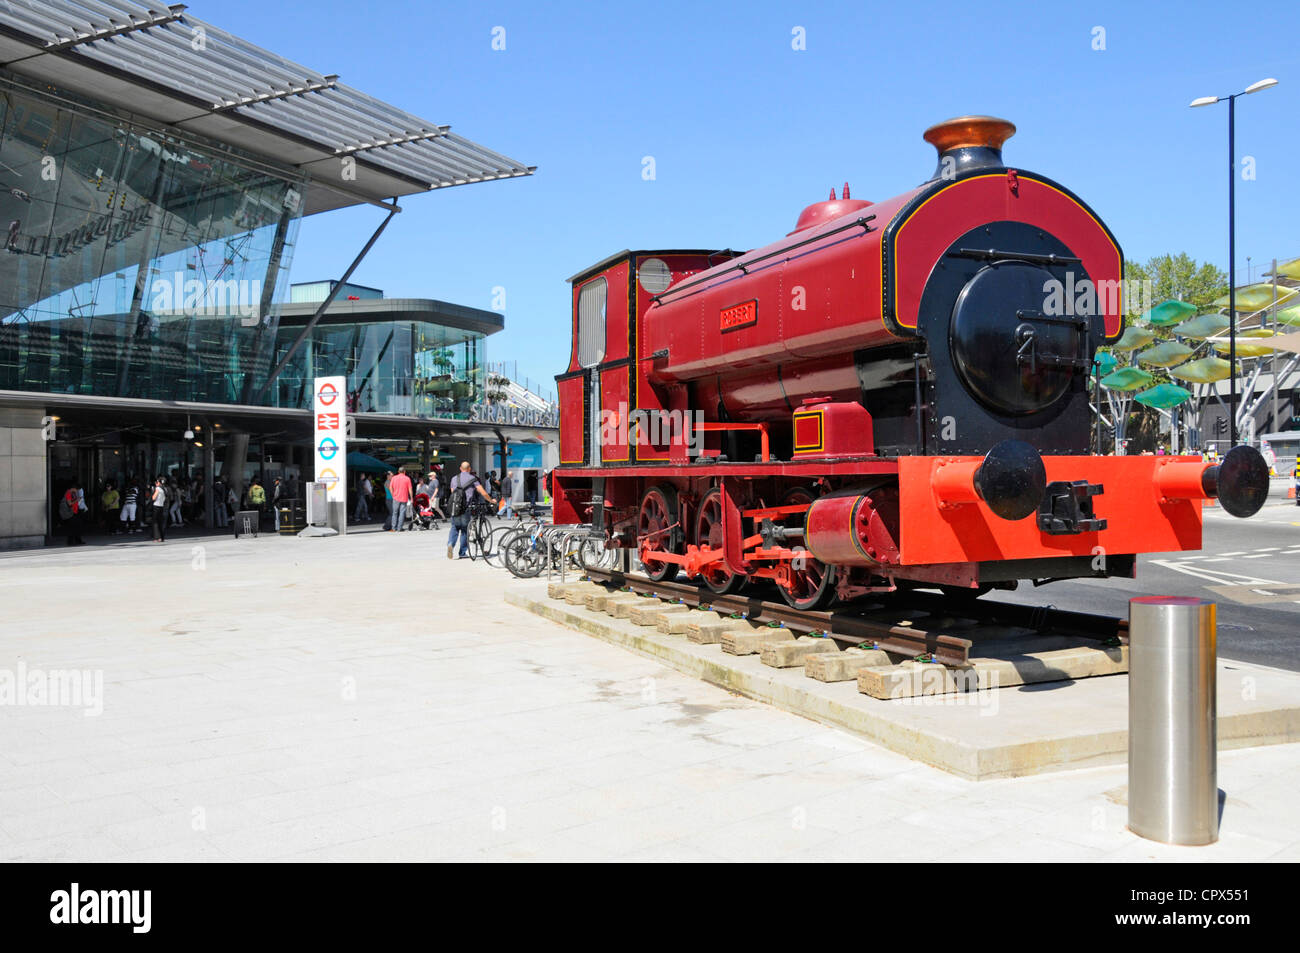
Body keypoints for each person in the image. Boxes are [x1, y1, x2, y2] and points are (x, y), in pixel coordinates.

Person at [446, 461, 493, 559]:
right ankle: (462, 553)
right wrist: (491, 500)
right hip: (466, 507)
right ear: (469, 469)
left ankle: (450, 544)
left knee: (454, 527)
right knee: (464, 530)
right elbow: (482, 492)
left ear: (460, 468)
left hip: (454, 508)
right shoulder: (473, 479)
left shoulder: (454, 478)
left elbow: (453, 493)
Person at [150, 477, 168, 542]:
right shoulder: (165, 489)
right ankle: (162, 537)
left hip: (156, 506)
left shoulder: (157, 489)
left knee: (155, 523)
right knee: (160, 522)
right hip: (161, 506)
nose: (155, 483)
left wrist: (152, 493)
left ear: (159, 483)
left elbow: (153, 498)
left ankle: (156, 537)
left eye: (157, 482)